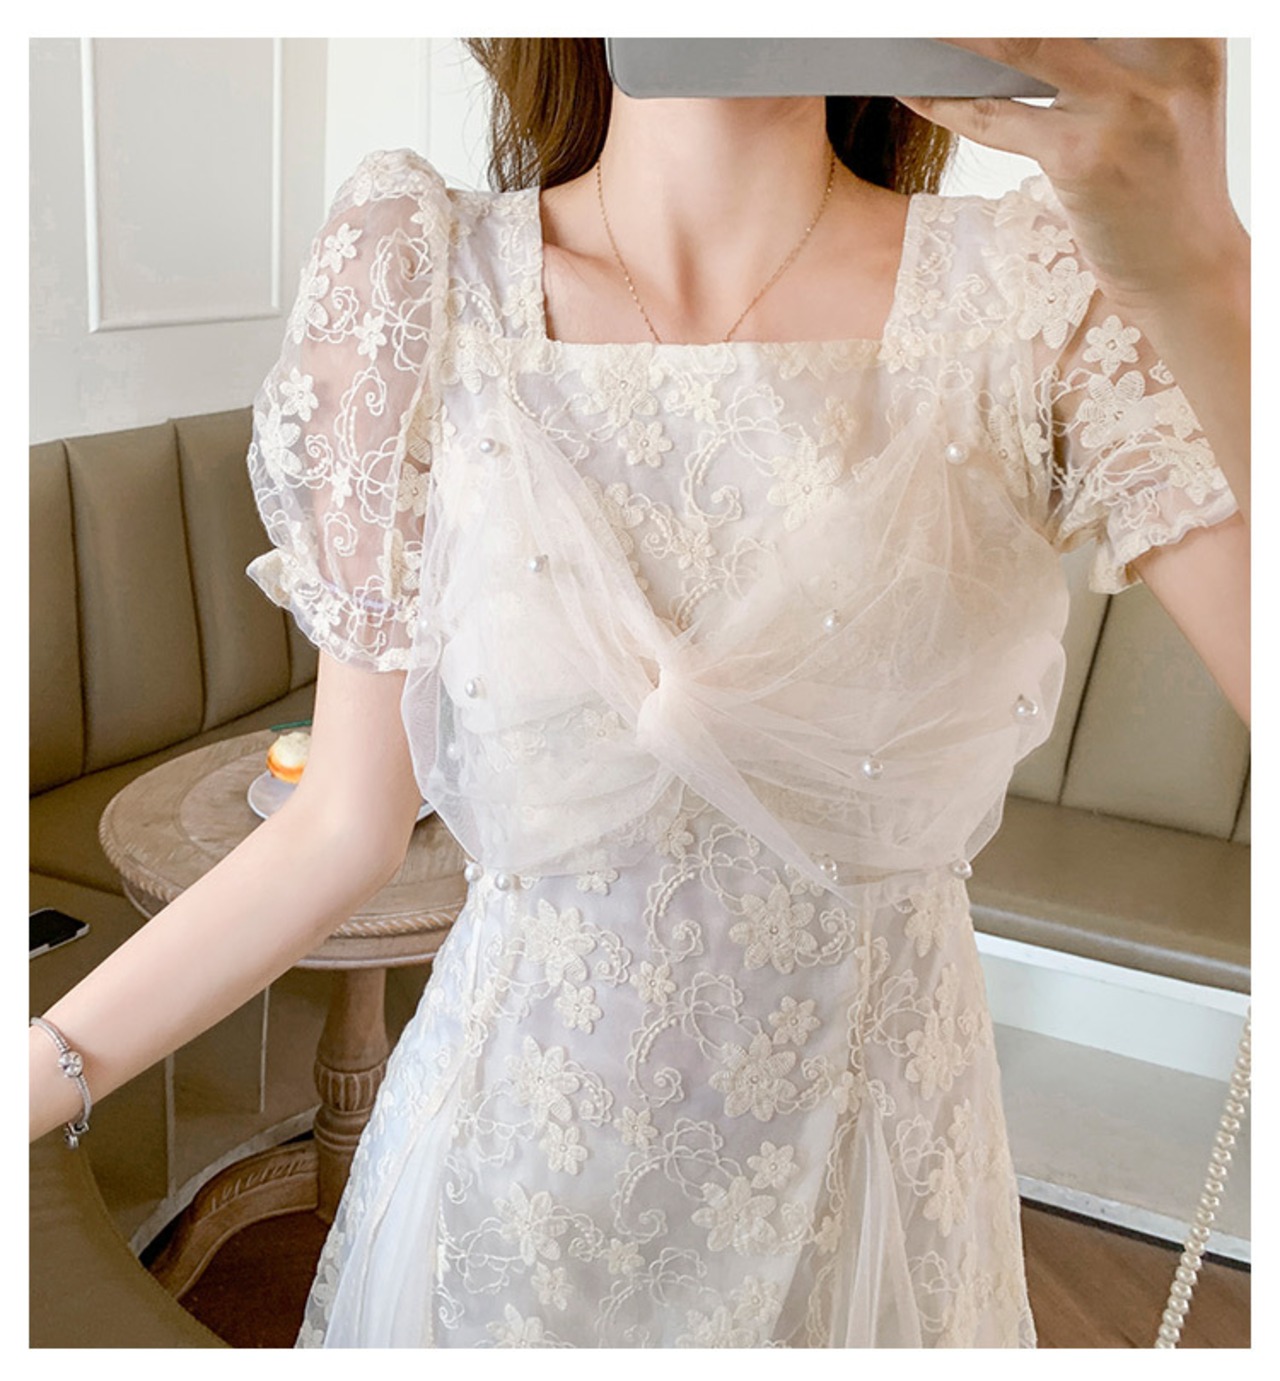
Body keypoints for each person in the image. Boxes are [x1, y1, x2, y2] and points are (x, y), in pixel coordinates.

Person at [31, 38, 1249, 1348]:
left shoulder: (1043, 293)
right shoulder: (420, 278)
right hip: (512, 1194)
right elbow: (342, 826)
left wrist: (1206, 265)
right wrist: (36, 1074)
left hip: (869, 1199)